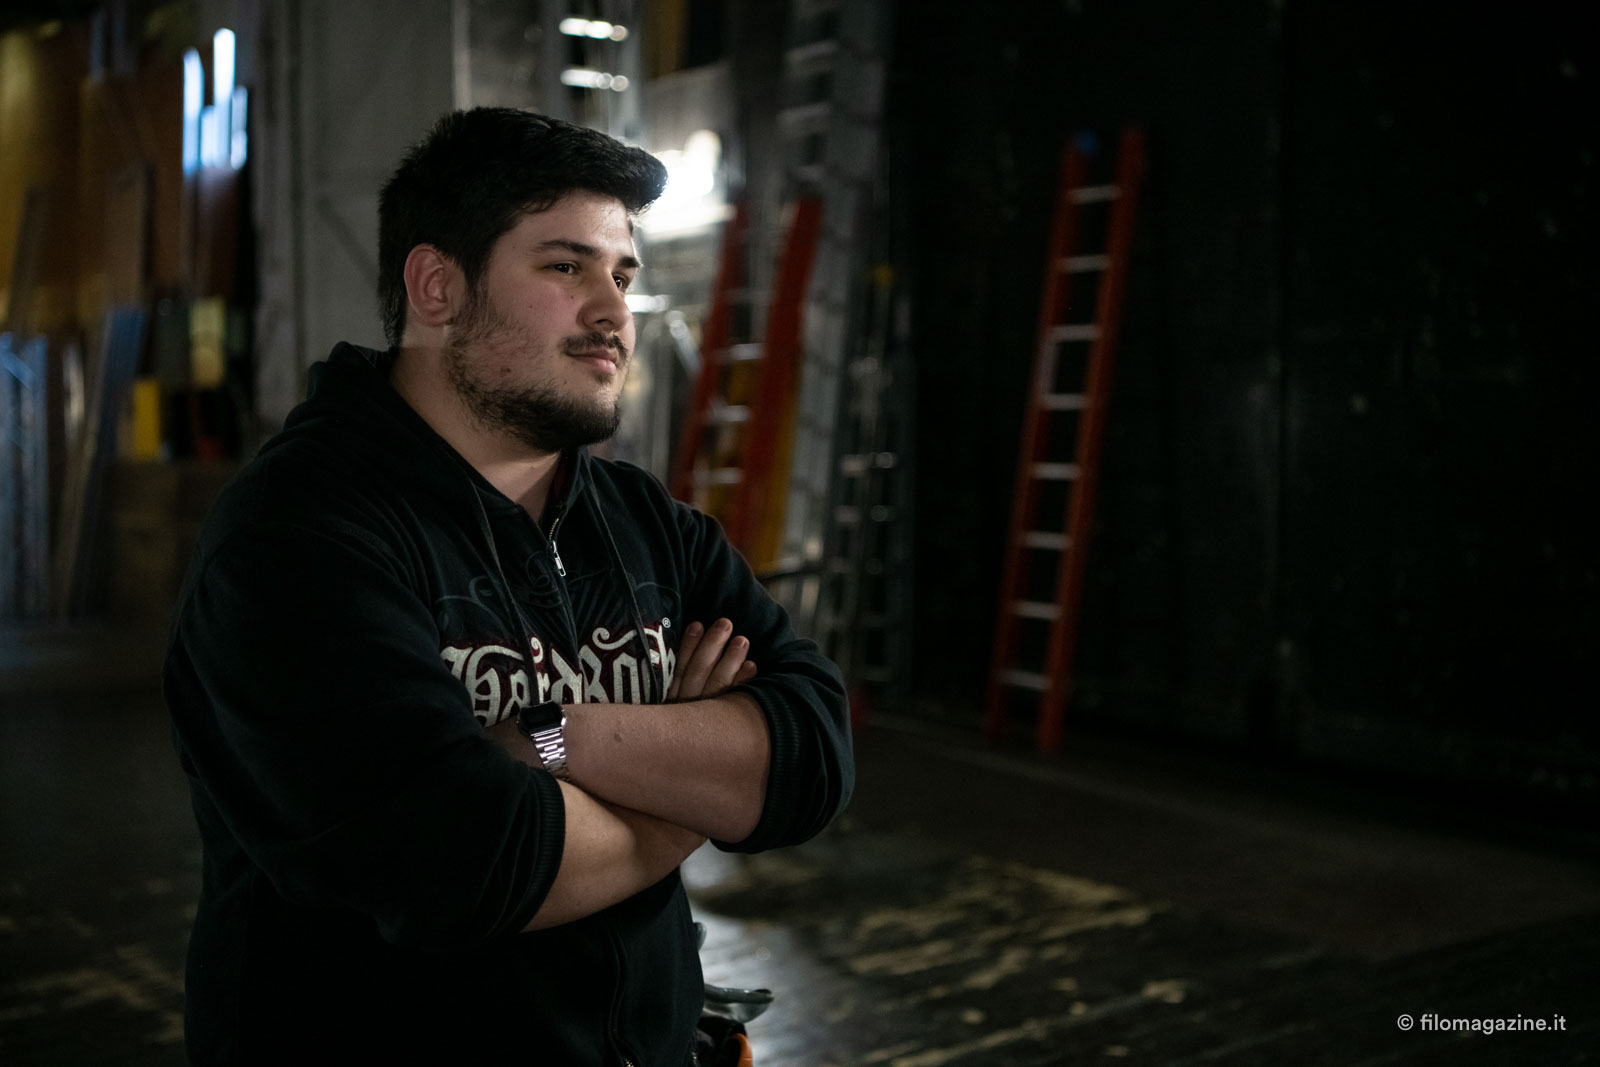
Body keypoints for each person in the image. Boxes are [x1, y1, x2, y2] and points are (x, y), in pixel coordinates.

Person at [164, 107, 854, 1065]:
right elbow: (464, 863)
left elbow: (813, 755)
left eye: (622, 276)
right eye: (566, 267)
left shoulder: (644, 521)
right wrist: (694, 776)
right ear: (438, 286)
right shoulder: (297, 537)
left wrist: (557, 737)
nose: (613, 313)